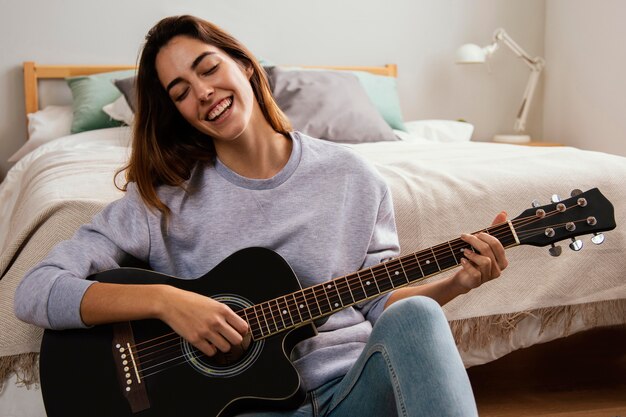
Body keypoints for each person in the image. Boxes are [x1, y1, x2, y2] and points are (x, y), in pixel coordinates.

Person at [15, 15, 508, 417]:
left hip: (353, 389)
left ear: (246, 66)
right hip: (238, 408)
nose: (202, 92)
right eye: (180, 91)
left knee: (419, 314)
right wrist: (167, 302)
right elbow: (35, 289)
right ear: (176, 112)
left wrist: (457, 283)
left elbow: (381, 305)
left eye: (208, 68)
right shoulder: (162, 203)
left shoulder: (352, 177)